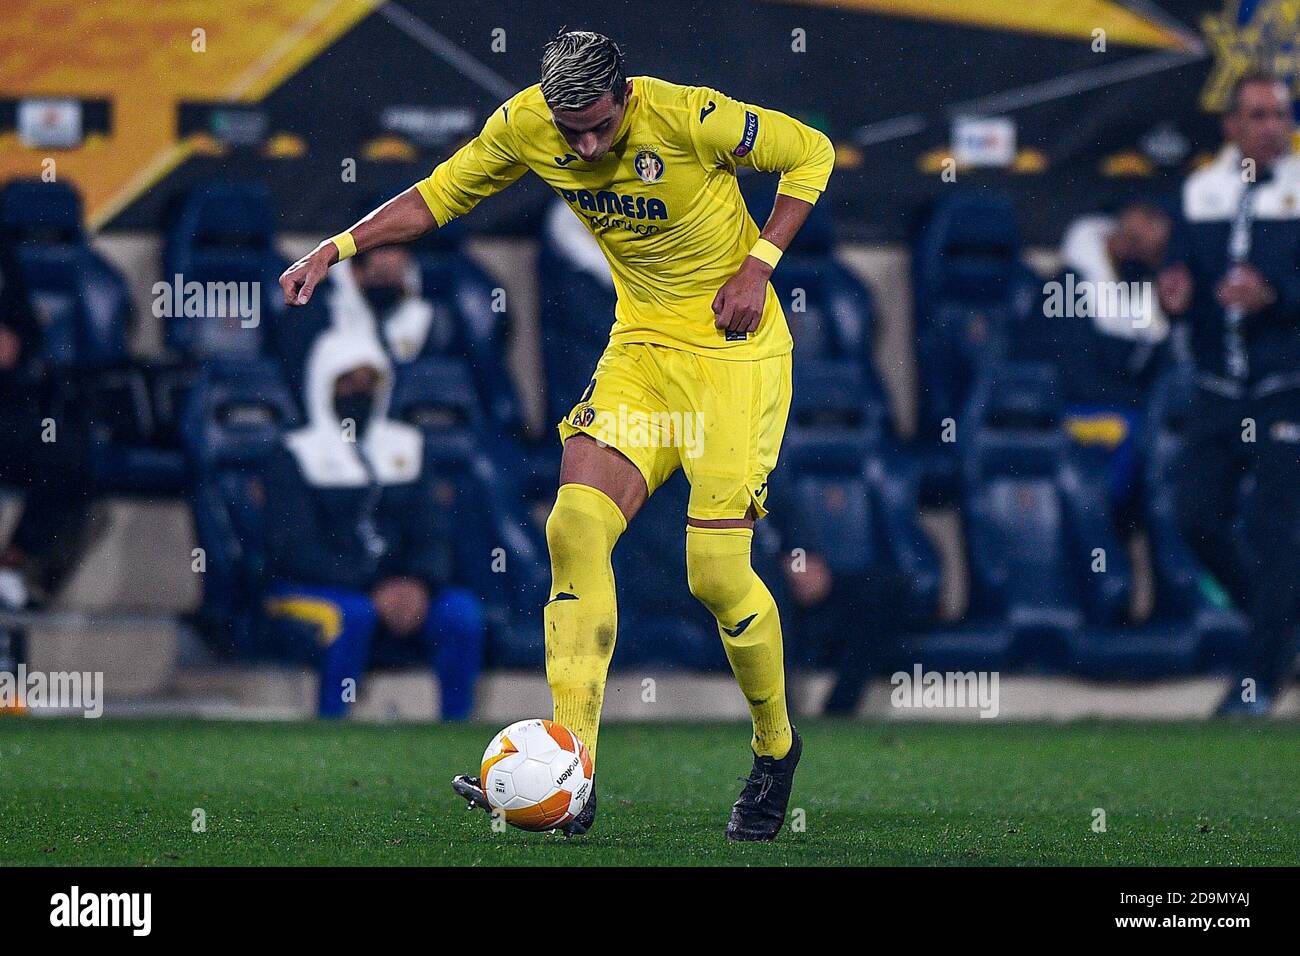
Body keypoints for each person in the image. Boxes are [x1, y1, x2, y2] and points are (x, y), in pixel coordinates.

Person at [279, 30, 834, 839]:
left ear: (626, 97)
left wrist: (759, 263)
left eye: (599, 126)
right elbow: (439, 194)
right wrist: (337, 247)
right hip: (641, 352)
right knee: (573, 526)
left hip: (734, 355)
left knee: (715, 575)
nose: (584, 143)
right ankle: (576, 771)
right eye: (570, 129)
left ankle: (774, 749)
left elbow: (811, 153)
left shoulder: (690, 116)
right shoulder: (528, 123)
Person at [1157, 73, 1300, 715]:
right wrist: (1175, 294)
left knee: (1278, 532)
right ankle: (1280, 628)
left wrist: (1275, 297)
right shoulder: (1202, 191)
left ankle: (1259, 679)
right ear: (1231, 126)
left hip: (1283, 388)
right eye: (1258, 115)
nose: (1272, 127)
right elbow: (1181, 272)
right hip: (1218, 388)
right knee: (1193, 516)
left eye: (1280, 115)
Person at [260, 323, 485, 719]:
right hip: (319, 590)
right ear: (322, 384)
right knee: (352, 616)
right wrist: (371, 586)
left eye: (369, 382)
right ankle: (334, 731)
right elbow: (292, 549)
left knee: (460, 613)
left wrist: (419, 582)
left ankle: (457, 732)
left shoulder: (407, 448)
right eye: (346, 382)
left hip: (399, 588)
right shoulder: (295, 454)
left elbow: (432, 533)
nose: (358, 392)